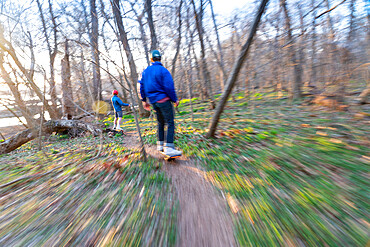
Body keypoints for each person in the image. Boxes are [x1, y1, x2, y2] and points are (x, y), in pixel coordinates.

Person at [140, 50, 182, 157]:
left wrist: (144, 101)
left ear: (151, 59)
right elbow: (169, 87)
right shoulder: (163, 71)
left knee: (160, 123)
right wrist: (174, 99)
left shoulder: (145, 72)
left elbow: (142, 87)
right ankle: (169, 148)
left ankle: (160, 145)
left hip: (154, 102)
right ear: (160, 58)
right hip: (164, 100)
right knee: (170, 123)